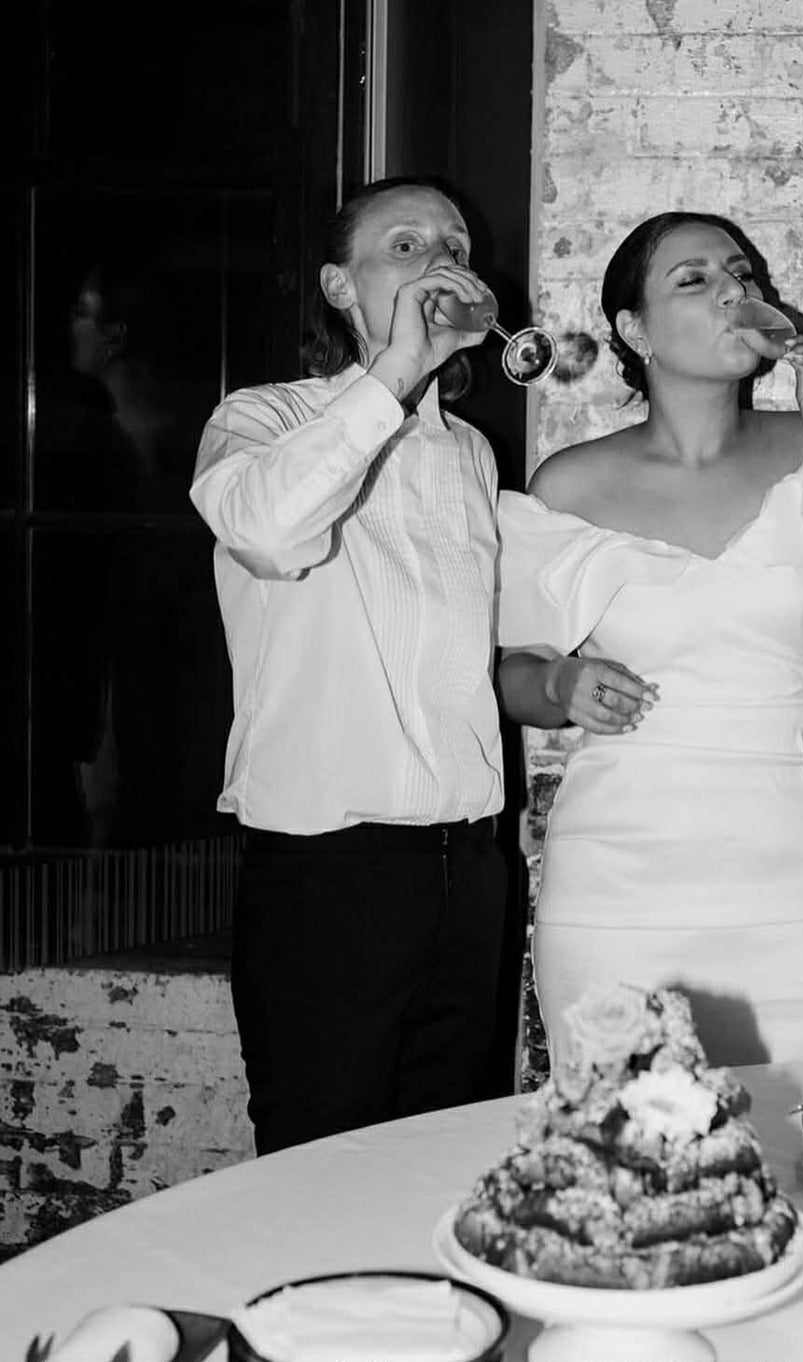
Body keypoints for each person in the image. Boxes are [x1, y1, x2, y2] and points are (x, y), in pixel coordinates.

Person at [497, 211, 803, 1070]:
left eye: (743, 276)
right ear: (635, 330)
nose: (733, 292)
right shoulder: (572, 483)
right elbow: (511, 672)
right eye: (695, 280)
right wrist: (560, 686)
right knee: (627, 1141)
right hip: (620, 887)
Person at [190, 177, 508, 1155]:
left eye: (453, 245)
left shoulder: (472, 453)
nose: (440, 260)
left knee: (446, 1169)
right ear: (340, 285)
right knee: (316, 1174)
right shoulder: (259, 418)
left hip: (472, 869)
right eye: (405, 246)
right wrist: (398, 369)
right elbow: (262, 530)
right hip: (328, 875)